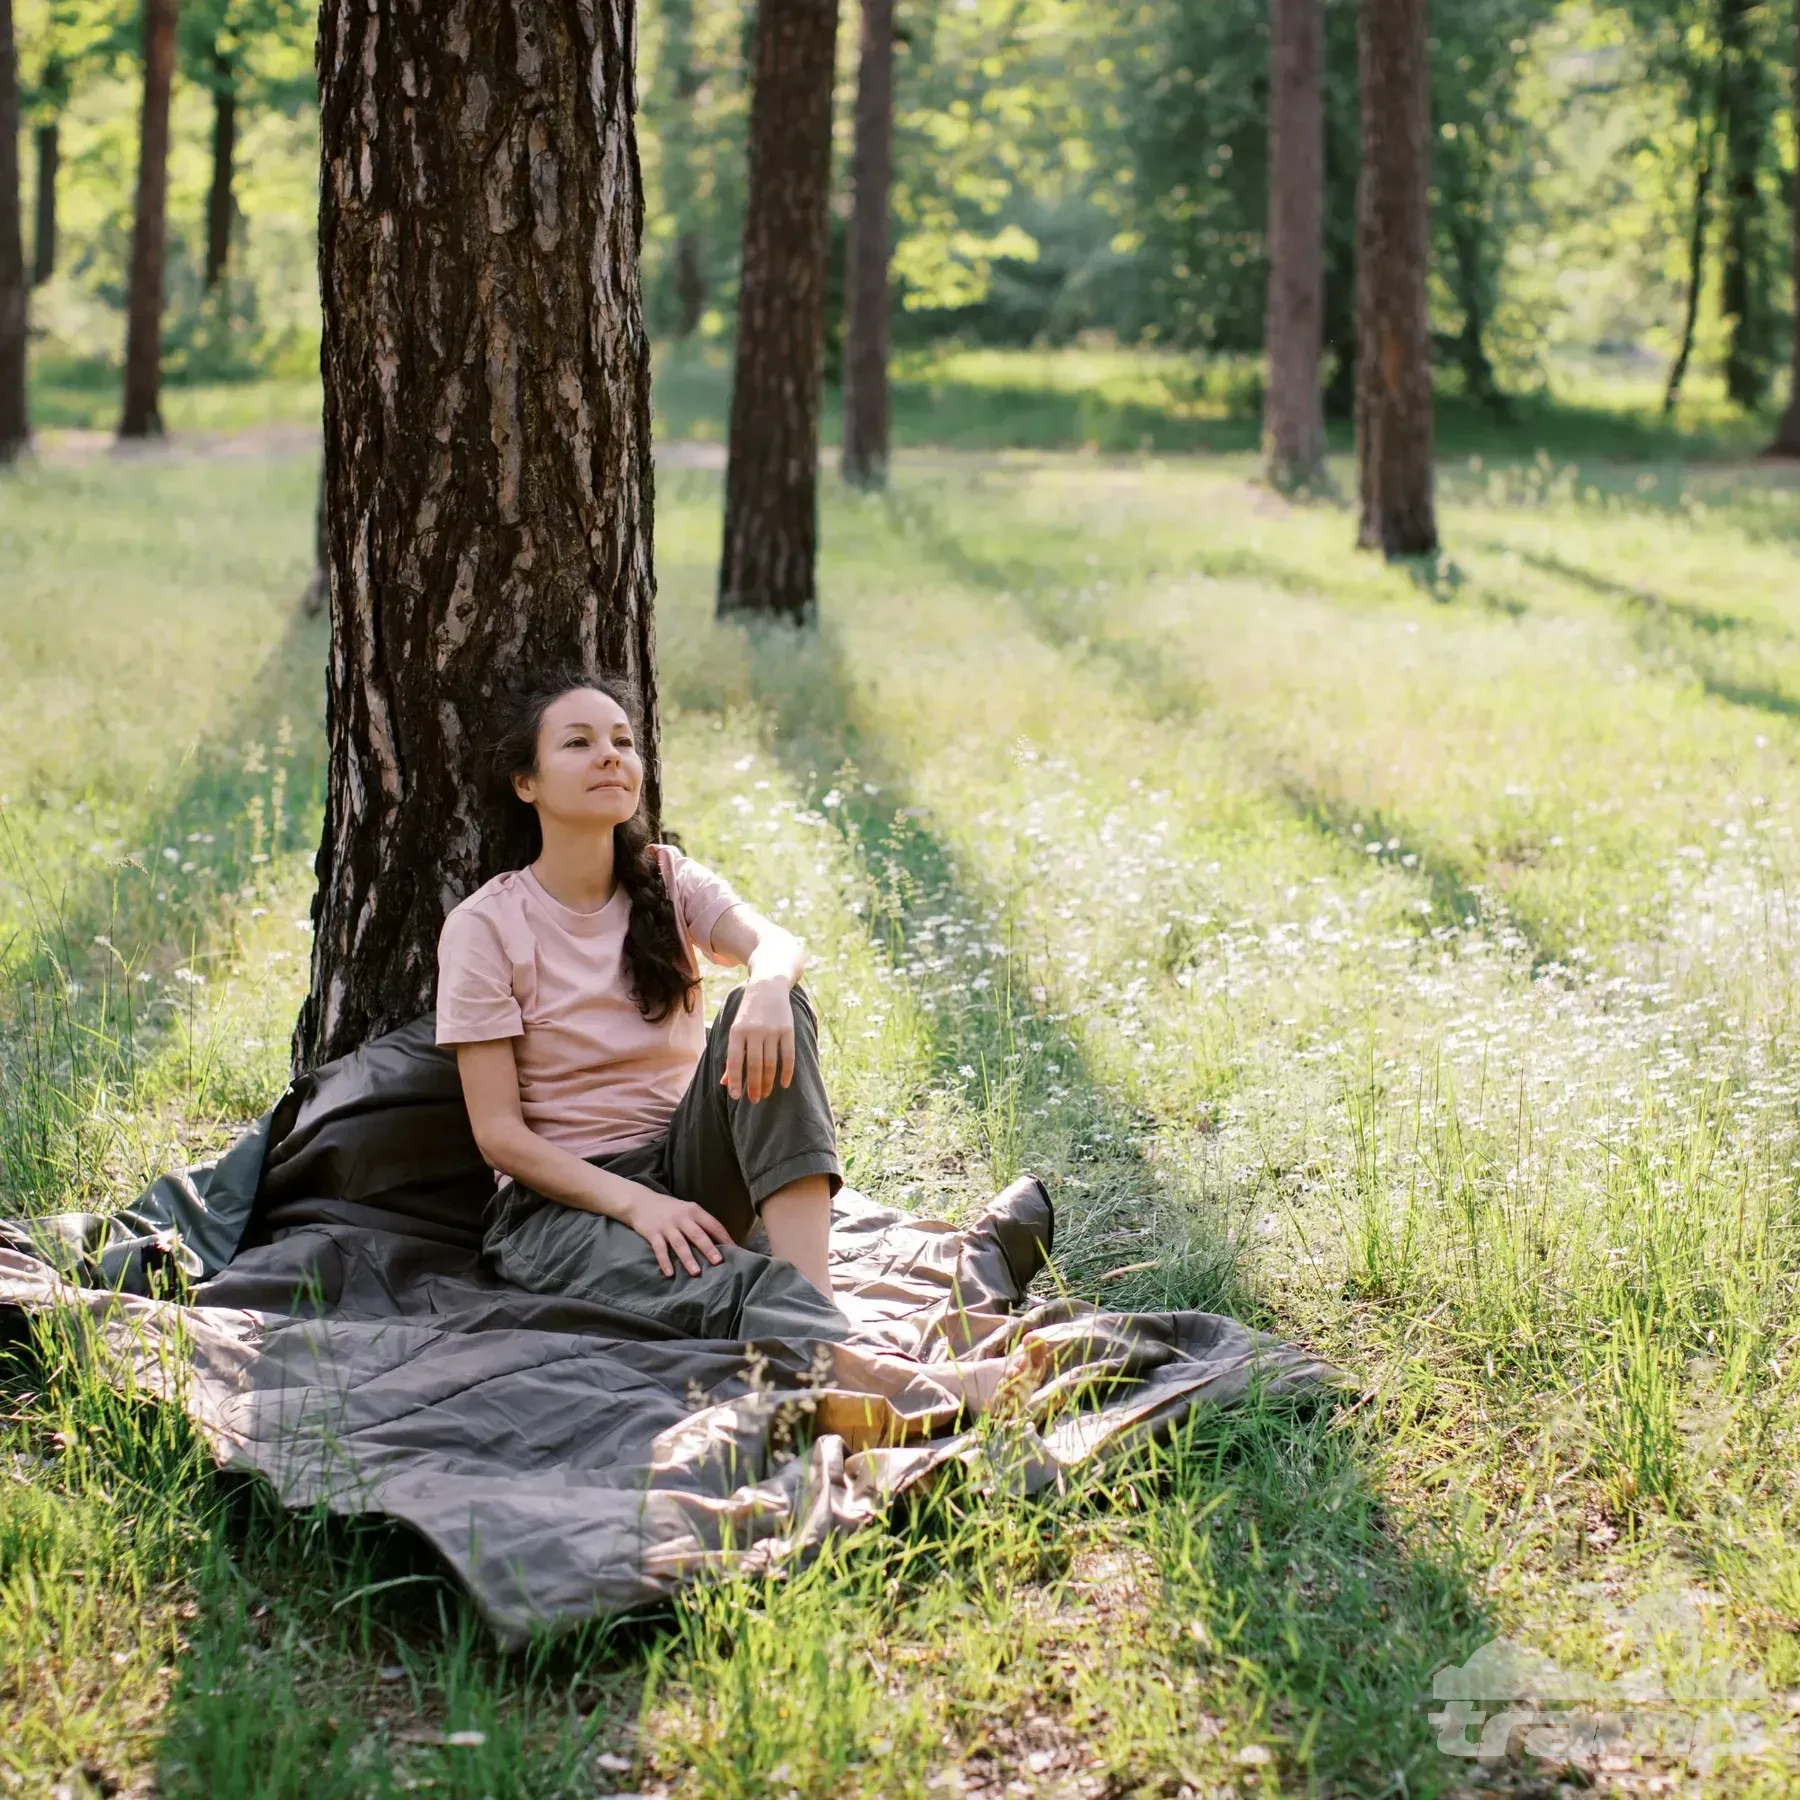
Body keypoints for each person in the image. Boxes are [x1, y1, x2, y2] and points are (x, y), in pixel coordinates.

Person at [436, 669, 849, 1342]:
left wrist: (770, 987)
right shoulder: (486, 926)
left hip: (688, 1167)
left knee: (772, 997)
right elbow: (499, 1135)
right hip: (564, 1208)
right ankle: (852, 1365)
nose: (609, 755)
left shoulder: (667, 876)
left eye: (622, 741)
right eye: (577, 742)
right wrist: (636, 1205)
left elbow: (774, 943)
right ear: (526, 783)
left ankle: (820, 1308)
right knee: (720, 1288)